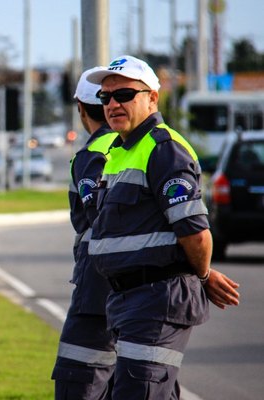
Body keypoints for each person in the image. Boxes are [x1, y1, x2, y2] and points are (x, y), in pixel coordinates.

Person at [85, 55, 241, 399]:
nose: (112, 103)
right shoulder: (121, 150)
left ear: (152, 98)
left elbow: (196, 232)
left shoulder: (163, 148)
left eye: (124, 94)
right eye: (105, 97)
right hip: (128, 299)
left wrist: (201, 275)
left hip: (155, 299)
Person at [51, 67, 118, 400]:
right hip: (140, 294)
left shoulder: (93, 154)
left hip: (99, 290)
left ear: (80, 107)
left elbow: (97, 218)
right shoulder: (138, 145)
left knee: (79, 379)